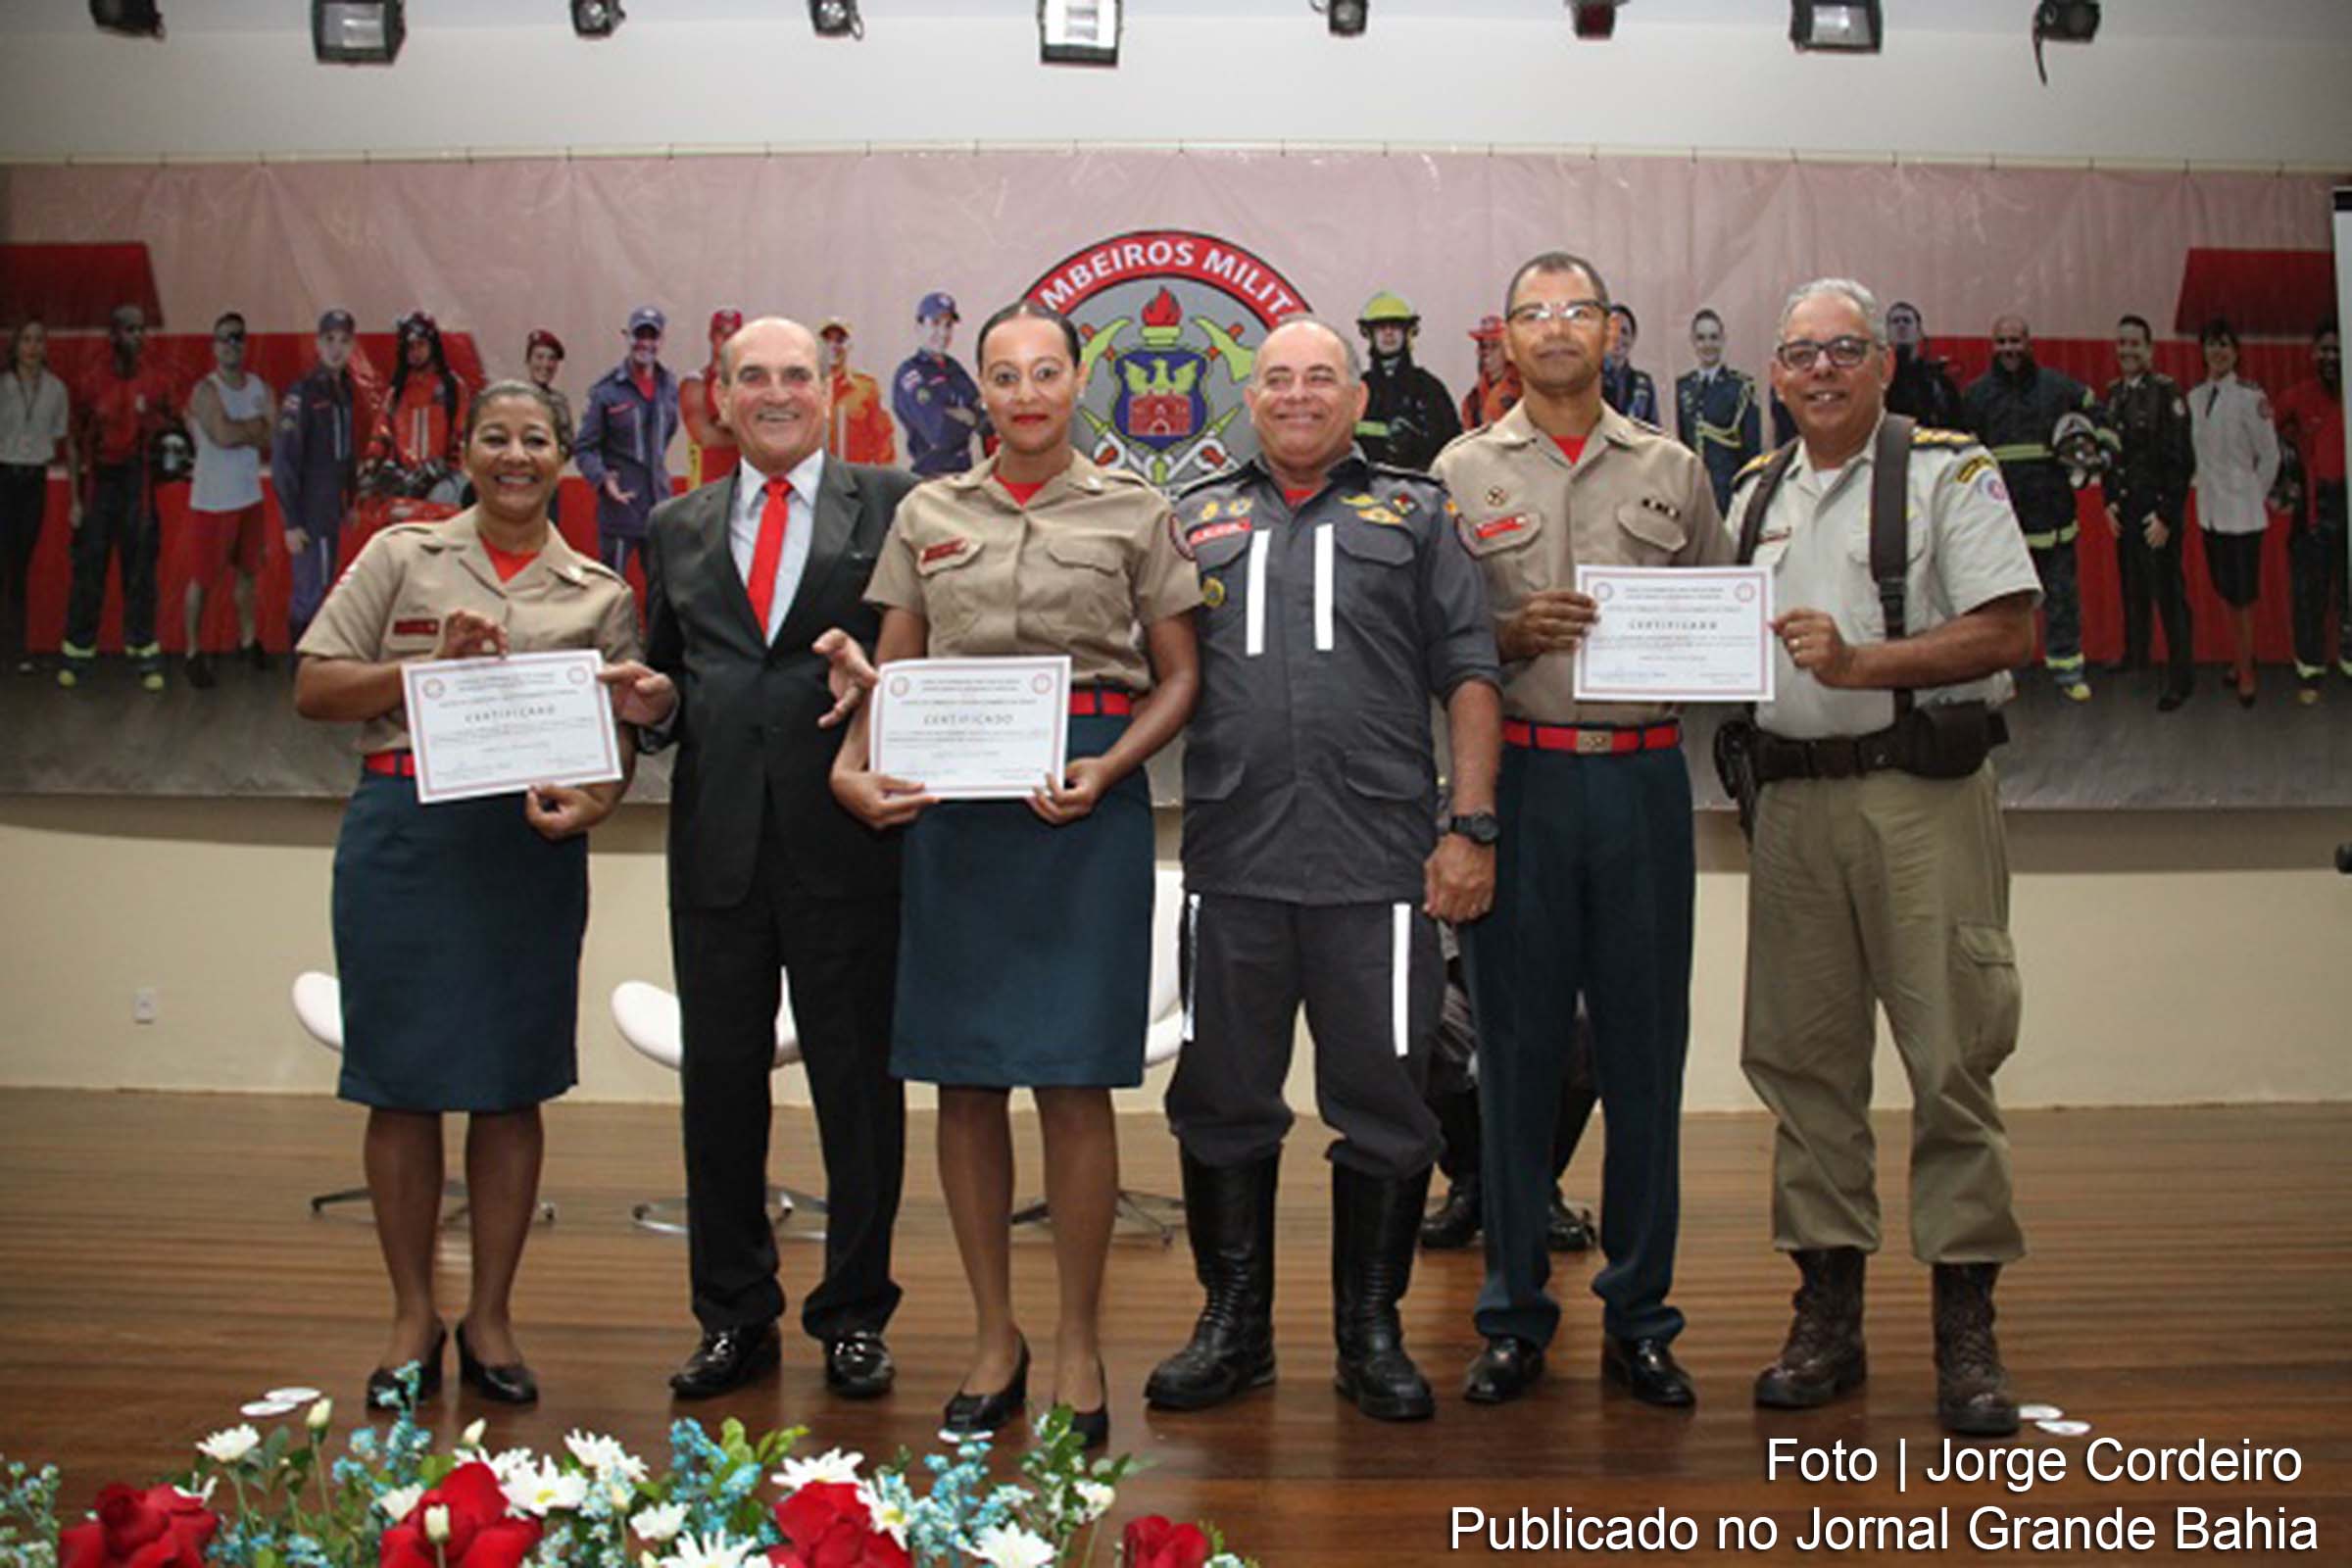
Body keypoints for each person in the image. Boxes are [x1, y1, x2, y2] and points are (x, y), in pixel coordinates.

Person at [830, 301, 1201, 1450]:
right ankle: (996, 1336)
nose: (1028, 391)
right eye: (1006, 374)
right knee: (966, 1080)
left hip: (1084, 807)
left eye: (1048, 370)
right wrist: (852, 768)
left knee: (1075, 1084)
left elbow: (1180, 679)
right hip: (956, 815)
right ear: (978, 390)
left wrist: (1111, 767)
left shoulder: (1137, 511)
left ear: (1078, 379)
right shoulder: (929, 511)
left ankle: (1080, 1339)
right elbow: (889, 675)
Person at [1143, 316, 1501, 1426]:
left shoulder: (1422, 513)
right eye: (1278, 379)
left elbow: (1472, 674)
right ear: (1251, 398)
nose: (1298, 396)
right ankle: (1234, 1326)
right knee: (1219, 1099)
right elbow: (1132, 658)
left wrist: (1471, 828)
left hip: (1377, 864)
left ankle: (1371, 1331)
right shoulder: (1192, 517)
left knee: (1387, 1103)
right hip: (1235, 862)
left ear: (1355, 399)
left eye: (1321, 378)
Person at [1729, 277, 2039, 1438]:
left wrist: (1865, 665)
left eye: (1843, 350)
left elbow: (2012, 627)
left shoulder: (1950, 472)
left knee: (1952, 1055)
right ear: (1775, 373)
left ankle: (1966, 1329)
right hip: (1794, 810)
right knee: (1802, 1066)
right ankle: (1828, 1318)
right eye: (1800, 352)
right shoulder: (1754, 490)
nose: (1820, 370)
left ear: (1882, 365)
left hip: (1923, 798)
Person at [293, 379, 640, 1410]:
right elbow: (314, 685)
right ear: (467, 451)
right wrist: (424, 672)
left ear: (563, 457)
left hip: (523, 855)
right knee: (399, 1083)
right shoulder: (402, 556)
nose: (517, 456)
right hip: (406, 838)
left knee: (509, 1083)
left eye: (538, 438)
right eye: (497, 438)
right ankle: (411, 1316)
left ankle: (489, 1317)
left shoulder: (599, 591)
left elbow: (610, 752)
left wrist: (595, 805)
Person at [598, 318, 916, 1403]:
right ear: (717, 400)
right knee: (721, 1090)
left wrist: (883, 683)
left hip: (851, 840)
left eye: (795, 376)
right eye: (752, 378)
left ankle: (855, 1315)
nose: (775, 393)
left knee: (858, 1094)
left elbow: (927, 652)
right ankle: (733, 1315)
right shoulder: (676, 524)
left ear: (828, 392)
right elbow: (674, 677)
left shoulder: (895, 503)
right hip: (719, 845)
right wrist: (658, 701)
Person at [1433, 251, 1726, 1411]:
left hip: (1643, 782)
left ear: (1612, 330)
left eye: (1577, 310)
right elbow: (1438, 647)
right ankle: (1512, 1315)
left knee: (1648, 1056)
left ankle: (1643, 1314)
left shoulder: (1675, 468)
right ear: (1503, 338)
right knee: (1512, 1054)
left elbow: (1713, 621)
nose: (1555, 329)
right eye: (1532, 312)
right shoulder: (1459, 469)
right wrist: (1505, 635)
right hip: (1526, 783)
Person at [1962, 316, 2098, 701]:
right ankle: (2004, 674)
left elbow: (2094, 411)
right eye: (2002, 341)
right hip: (2002, 519)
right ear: (1993, 345)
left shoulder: (2057, 388)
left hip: (2053, 512)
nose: (2009, 349)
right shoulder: (1976, 395)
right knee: (2004, 602)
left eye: (2015, 341)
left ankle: (2068, 671)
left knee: (2062, 596)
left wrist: (2095, 451)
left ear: (2029, 342)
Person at [61, 303, 177, 692]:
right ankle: (77, 653)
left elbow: (172, 433)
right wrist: (76, 501)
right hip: (99, 484)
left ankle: (144, 652)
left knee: (141, 572)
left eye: (142, 329)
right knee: (89, 572)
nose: (138, 337)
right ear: (114, 335)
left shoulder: (155, 379)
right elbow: (75, 442)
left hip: (138, 484)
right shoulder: (92, 379)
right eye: (130, 330)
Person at [2096, 314, 2197, 711]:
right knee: (2132, 588)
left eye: (2135, 344)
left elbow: (2181, 461)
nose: (2127, 351)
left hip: (2157, 509)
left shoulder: (2166, 393)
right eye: (2121, 344)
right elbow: (2109, 454)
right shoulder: (2115, 394)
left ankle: (2181, 678)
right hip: (2128, 506)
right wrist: (2109, 500)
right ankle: (2136, 655)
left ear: (2150, 349)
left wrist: (2167, 516)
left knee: (2168, 595)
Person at [2188, 318, 2280, 708]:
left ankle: (2246, 671)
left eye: (2225, 345)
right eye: (2212, 344)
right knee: (2226, 591)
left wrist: (2251, 496)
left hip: (2243, 516)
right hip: (2210, 512)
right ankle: (2240, 657)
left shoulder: (2249, 396)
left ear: (2237, 351)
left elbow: (2270, 455)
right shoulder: (2194, 397)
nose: (2218, 352)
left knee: (2243, 597)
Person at [180, 312, 274, 687]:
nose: (231, 345)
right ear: (213, 345)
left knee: (248, 574)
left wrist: (244, 430)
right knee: (202, 581)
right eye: (223, 338)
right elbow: (222, 435)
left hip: (248, 497)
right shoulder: (205, 390)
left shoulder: (259, 386)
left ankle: (248, 641)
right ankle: (192, 651)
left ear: (245, 343)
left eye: (237, 337)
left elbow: (271, 438)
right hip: (212, 502)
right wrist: (255, 427)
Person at [273, 309, 363, 650]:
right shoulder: (305, 393)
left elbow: (345, 453)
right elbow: (285, 460)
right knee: (308, 593)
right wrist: (291, 522)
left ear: (352, 346)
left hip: (330, 511)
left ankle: (317, 666)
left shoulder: (345, 391)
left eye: (343, 341)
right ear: (317, 344)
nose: (336, 349)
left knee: (325, 586)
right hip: (309, 513)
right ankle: (300, 668)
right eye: (329, 340)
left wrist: (349, 501)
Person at [575, 305, 681, 583]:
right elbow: (584, 447)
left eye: (652, 337)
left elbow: (667, 433)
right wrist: (602, 479)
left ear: (661, 341)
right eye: (639, 336)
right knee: (612, 589)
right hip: (620, 508)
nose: (645, 344)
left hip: (658, 508)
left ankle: (655, 630)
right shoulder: (607, 391)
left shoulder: (669, 386)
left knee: (662, 590)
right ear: (627, 337)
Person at [2273, 318, 2346, 703]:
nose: (2331, 356)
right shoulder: (2297, 397)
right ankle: (2311, 674)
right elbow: (2264, 433)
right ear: (2313, 354)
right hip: (2315, 512)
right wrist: (2284, 476)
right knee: (2309, 597)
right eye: (2325, 349)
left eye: (2338, 348)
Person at [1, 318, 78, 677]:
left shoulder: (56, 389)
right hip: (4, 475)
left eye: (38, 340)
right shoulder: (2, 386)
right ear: (14, 345)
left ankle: (17, 649)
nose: (32, 347)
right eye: (26, 339)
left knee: (19, 567)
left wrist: (76, 496)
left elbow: (64, 439)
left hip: (34, 480)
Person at [359, 311, 469, 541]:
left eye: (421, 344)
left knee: (440, 547)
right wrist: (370, 468)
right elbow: (381, 436)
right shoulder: (397, 392)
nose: (416, 352)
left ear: (432, 345)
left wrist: (446, 468)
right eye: (410, 347)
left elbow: (464, 435)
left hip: (443, 483)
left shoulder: (451, 387)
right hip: (406, 484)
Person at [1354, 291, 1461, 471]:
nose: (1388, 333)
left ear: (1408, 332)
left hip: (1418, 487)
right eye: (1381, 327)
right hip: (1366, 488)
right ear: (1369, 334)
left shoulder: (1429, 389)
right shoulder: (1358, 389)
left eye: (1395, 326)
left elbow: (1453, 449)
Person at [1676, 308, 1762, 514]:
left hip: (1730, 493)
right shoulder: (1684, 387)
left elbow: (1751, 450)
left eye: (1714, 337)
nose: (1708, 345)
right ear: (1693, 342)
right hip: (1696, 493)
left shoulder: (1740, 387)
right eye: (1701, 338)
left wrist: (1746, 494)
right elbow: (1684, 444)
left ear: (1723, 340)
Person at [894, 292, 989, 477]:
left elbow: (985, 418)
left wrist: (968, 416)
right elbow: (940, 432)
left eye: (948, 325)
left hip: (965, 475)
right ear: (919, 325)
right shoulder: (910, 374)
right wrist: (969, 417)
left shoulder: (953, 368)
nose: (943, 333)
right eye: (935, 324)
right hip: (929, 478)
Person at [678, 308, 744, 490]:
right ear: (711, 336)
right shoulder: (695, 382)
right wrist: (751, 430)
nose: (726, 339)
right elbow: (706, 437)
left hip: (743, 487)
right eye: (720, 332)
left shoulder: (751, 383)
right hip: (705, 487)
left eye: (733, 334)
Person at [819, 317, 897, 466]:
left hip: (855, 479)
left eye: (840, 340)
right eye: (828, 340)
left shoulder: (865, 388)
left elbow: (882, 438)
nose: (833, 346)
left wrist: (884, 479)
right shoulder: (808, 389)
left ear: (849, 345)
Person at [1885, 302, 1965, 431]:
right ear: (1886, 333)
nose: (1901, 325)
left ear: (1919, 332)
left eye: (1907, 321)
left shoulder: (1939, 383)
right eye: (1895, 321)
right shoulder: (1877, 381)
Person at [522, 328, 570, 532]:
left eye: (551, 359)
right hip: (517, 480)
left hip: (547, 483)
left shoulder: (559, 403)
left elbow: (568, 442)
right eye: (539, 357)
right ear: (528, 360)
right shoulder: (513, 398)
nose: (545, 365)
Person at [1460, 315, 1521, 434]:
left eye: (1494, 346)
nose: (1486, 353)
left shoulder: (1523, 389)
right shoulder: (1473, 399)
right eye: (1483, 346)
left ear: (1507, 350)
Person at [1599, 304, 1659, 425]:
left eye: (1624, 331)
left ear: (1632, 338)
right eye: (1611, 329)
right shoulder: (1589, 381)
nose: (1617, 337)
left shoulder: (1643, 385)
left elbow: (1654, 431)